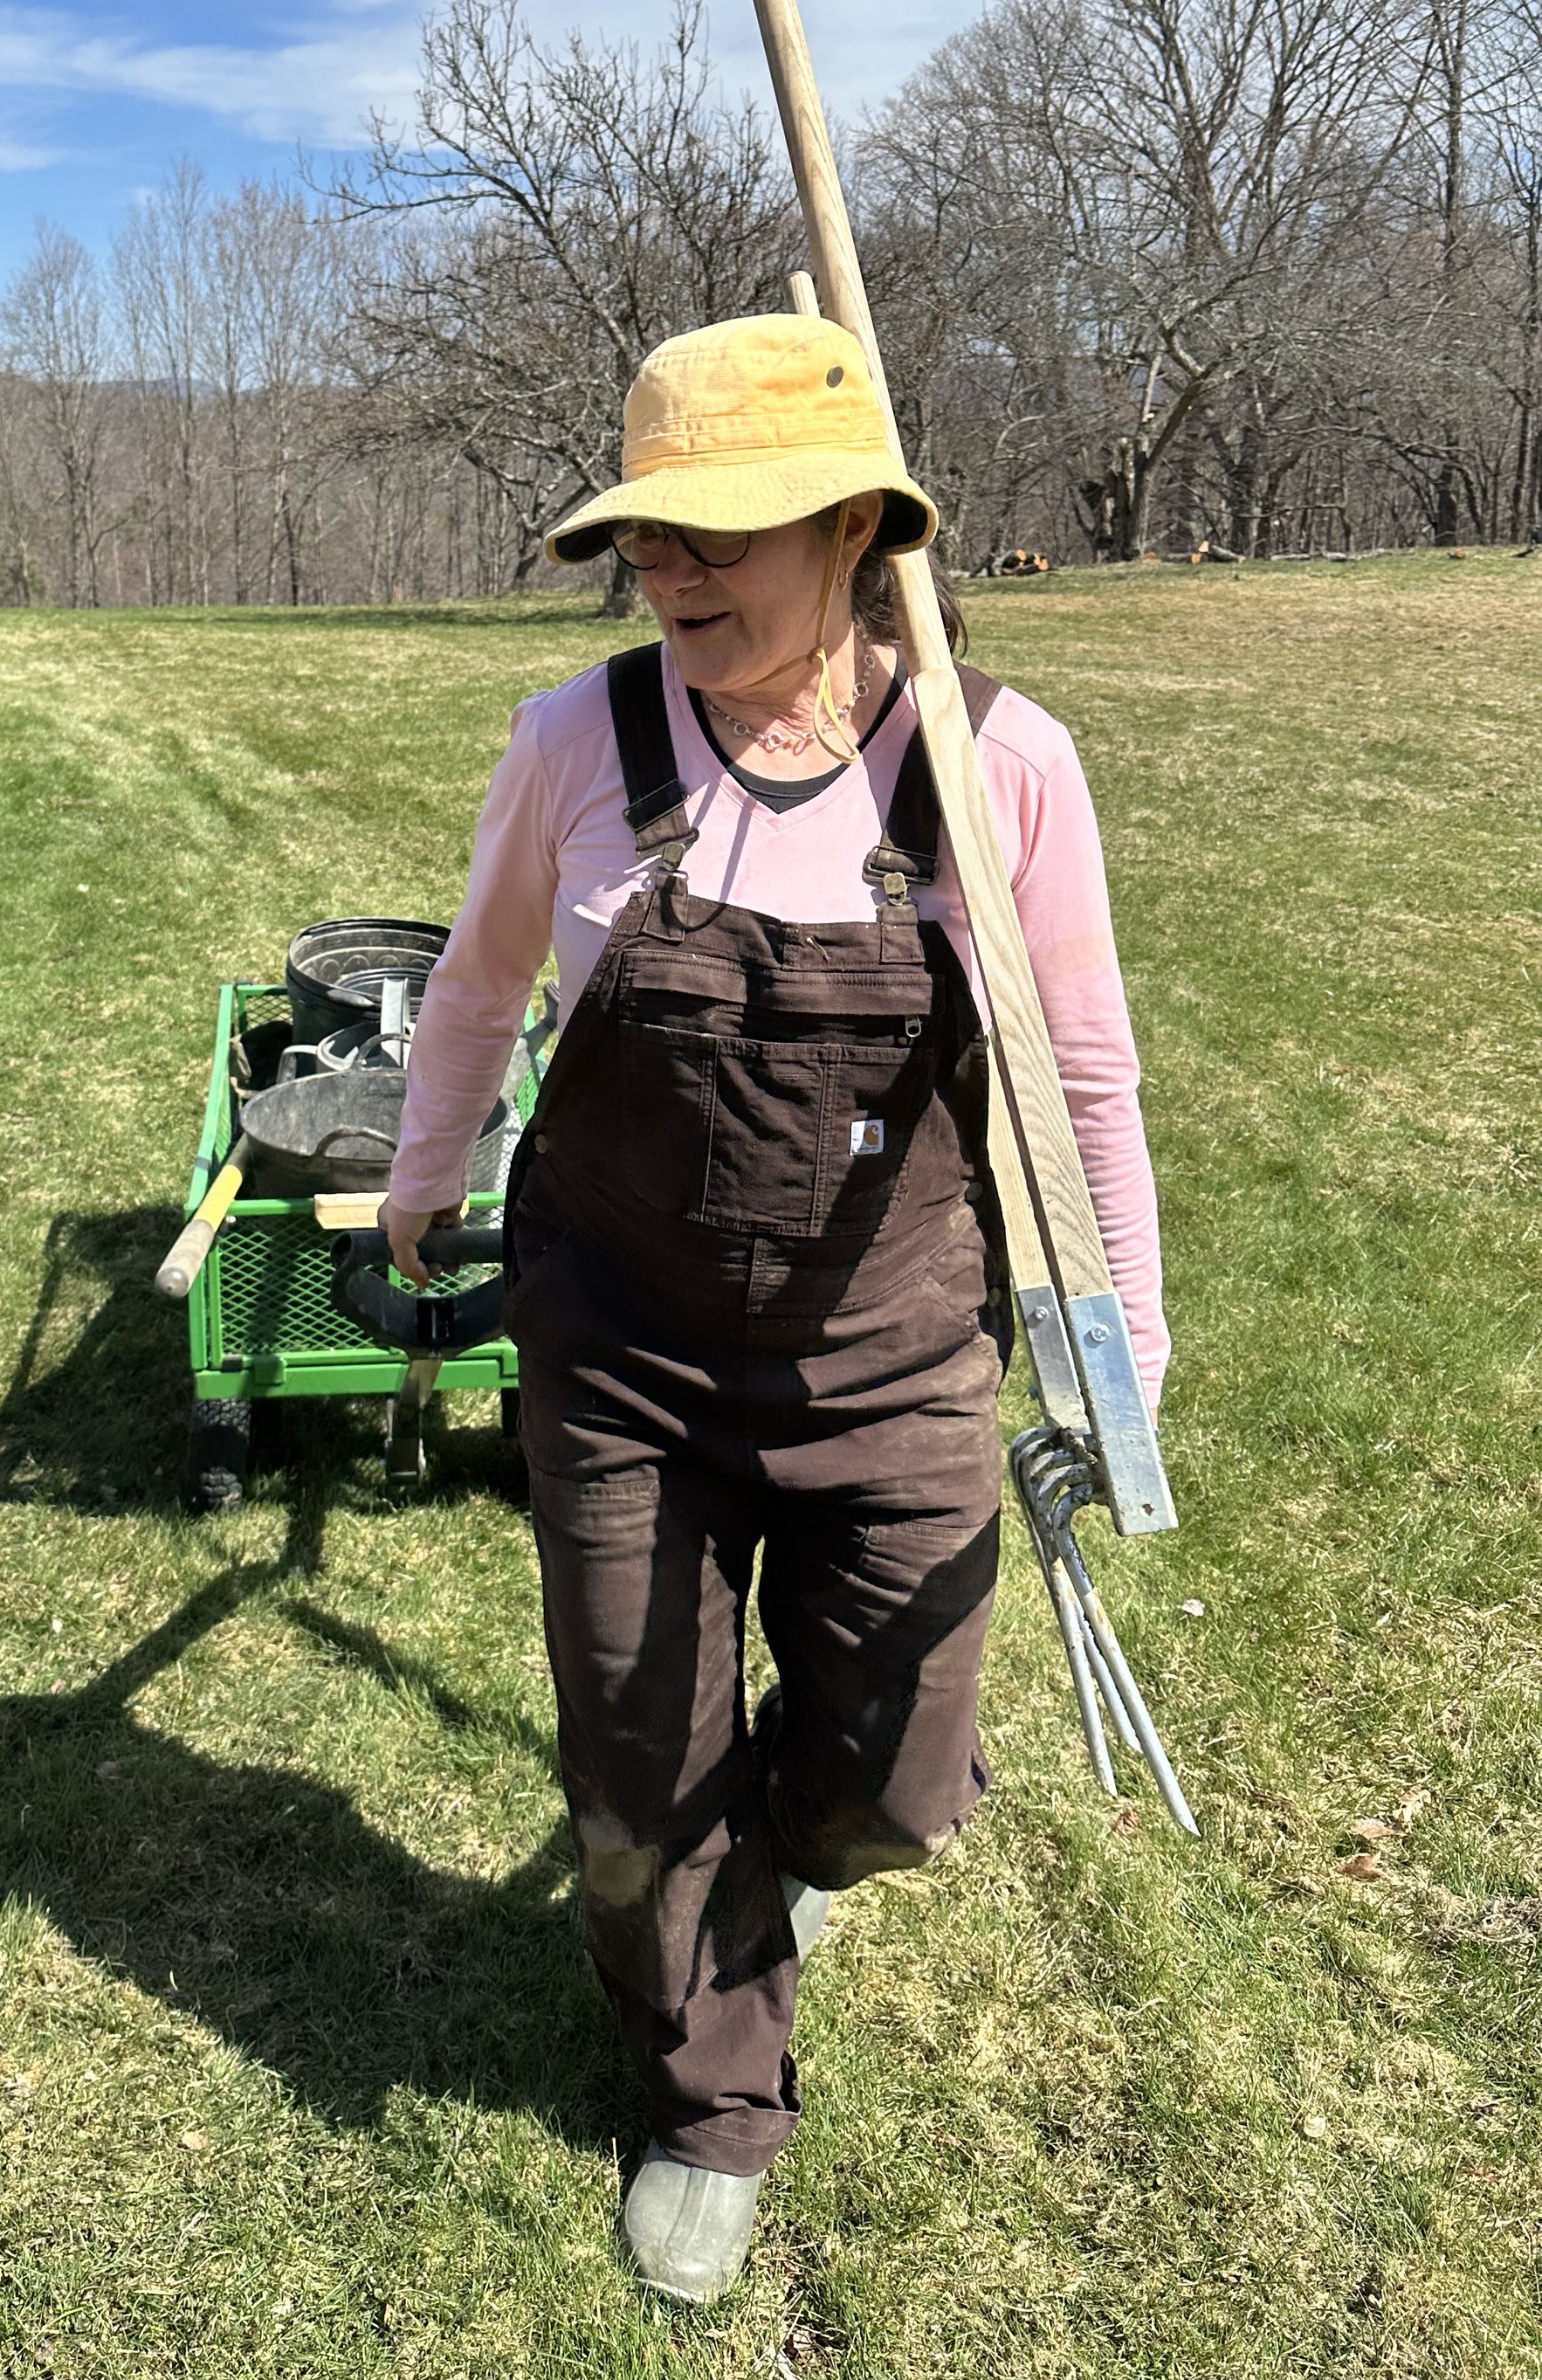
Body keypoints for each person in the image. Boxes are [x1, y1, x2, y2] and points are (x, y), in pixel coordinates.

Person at [380, 313, 1166, 2307]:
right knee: (639, 1770)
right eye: (648, 533)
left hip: (894, 1354)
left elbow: (1079, 1073)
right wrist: (421, 1170)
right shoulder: (576, 739)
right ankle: (704, 2098)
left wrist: (1117, 1330)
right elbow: (474, 983)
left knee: (897, 1782)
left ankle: (783, 1866)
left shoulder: (995, 765)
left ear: (849, 526)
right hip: (624, 1347)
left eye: (719, 531)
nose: (670, 570)